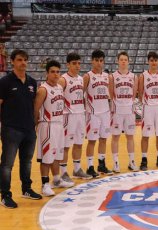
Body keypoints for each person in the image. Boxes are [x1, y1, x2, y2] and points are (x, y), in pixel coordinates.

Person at [0, 49, 41, 208]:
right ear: (12, 61)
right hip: (11, 129)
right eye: (19, 60)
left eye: (25, 60)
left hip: (29, 129)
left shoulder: (32, 82)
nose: (23, 63)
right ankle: (5, 195)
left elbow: (32, 105)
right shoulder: (5, 82)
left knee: (27, 162)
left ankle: (26, 189)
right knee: (7, 164)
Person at [34, 60, 69, 197]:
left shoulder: (60, 88)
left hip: (59, 124)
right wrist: (36, 125)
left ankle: (56, 179)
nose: (55, 75)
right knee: (47, 157)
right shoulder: (43, 89)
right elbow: (35, 109)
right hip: (47, 125)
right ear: (47, 73)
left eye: (57, 72)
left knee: (57, 155)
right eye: (52, 72)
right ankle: (45, 184)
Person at [58, 53, 92, 183]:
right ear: (68, 64)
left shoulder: (80, 79)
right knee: (66, 145)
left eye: (79, 63)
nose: (77, 66)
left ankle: (77, 169)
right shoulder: (63, 80)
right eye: (74, 63)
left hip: (80, 114)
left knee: (78, 143)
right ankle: (63, 172)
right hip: (68, 116)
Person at [83, 49, 112, 177]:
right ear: (92, 61)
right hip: (92, 113)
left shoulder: (107, 76)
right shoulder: (87, 76)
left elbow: (109, 94)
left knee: (103, 139)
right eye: (96, 60)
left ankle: (101, 164)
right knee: (92, 140)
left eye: (101, 61)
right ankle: (90, 166)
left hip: (105, 112)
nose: (99, 63)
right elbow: (81, 94)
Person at [138, 51, 158, 171]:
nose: (154, 62)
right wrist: (146, 102)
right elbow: (140, 92)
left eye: (156, 60)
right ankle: (144, 159)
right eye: (151, 60)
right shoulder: (143, 76)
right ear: (148, 62)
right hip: (148, 108)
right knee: (145, 135)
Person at [109, 51, 138, 173]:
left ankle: (132, 161)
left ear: (128, 61)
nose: (123, 61)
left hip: (129, 110)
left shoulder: (134, 77)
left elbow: (134, 92)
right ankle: (115, 162)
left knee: (130, 136)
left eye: (125, 59)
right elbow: (111, 93)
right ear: (118, 61)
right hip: (117, 110)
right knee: (115, 136)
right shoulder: (112, 76)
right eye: (121, 59)